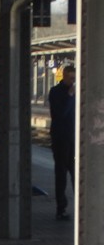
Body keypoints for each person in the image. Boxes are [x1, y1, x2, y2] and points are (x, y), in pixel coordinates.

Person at [48, 63, 75, 220]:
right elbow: (61, 114)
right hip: (60, 139)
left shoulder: (77, 92)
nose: (73, 82)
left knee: (76, 173)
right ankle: (61, 208)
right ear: (64, 77)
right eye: (71, 78)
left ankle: (81, 205)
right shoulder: (55, 92)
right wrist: (70, 96)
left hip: (73, 138)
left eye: (75, 79)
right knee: (61, 174)